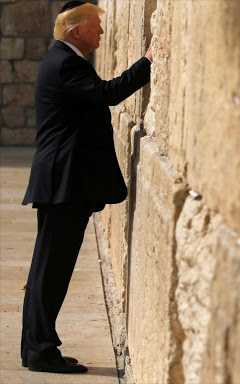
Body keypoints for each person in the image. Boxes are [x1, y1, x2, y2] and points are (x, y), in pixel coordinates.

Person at [20, 0, 153, 374]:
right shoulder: (65, 64)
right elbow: (108, 93)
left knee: (46, 270)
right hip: (64, 183)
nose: (101, 32)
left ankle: (35, 347)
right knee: (51, 271)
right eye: (95, 26)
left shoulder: (62, 61)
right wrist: (149, 60)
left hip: (61, 181)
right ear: (76, 30)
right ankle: (41, 351)